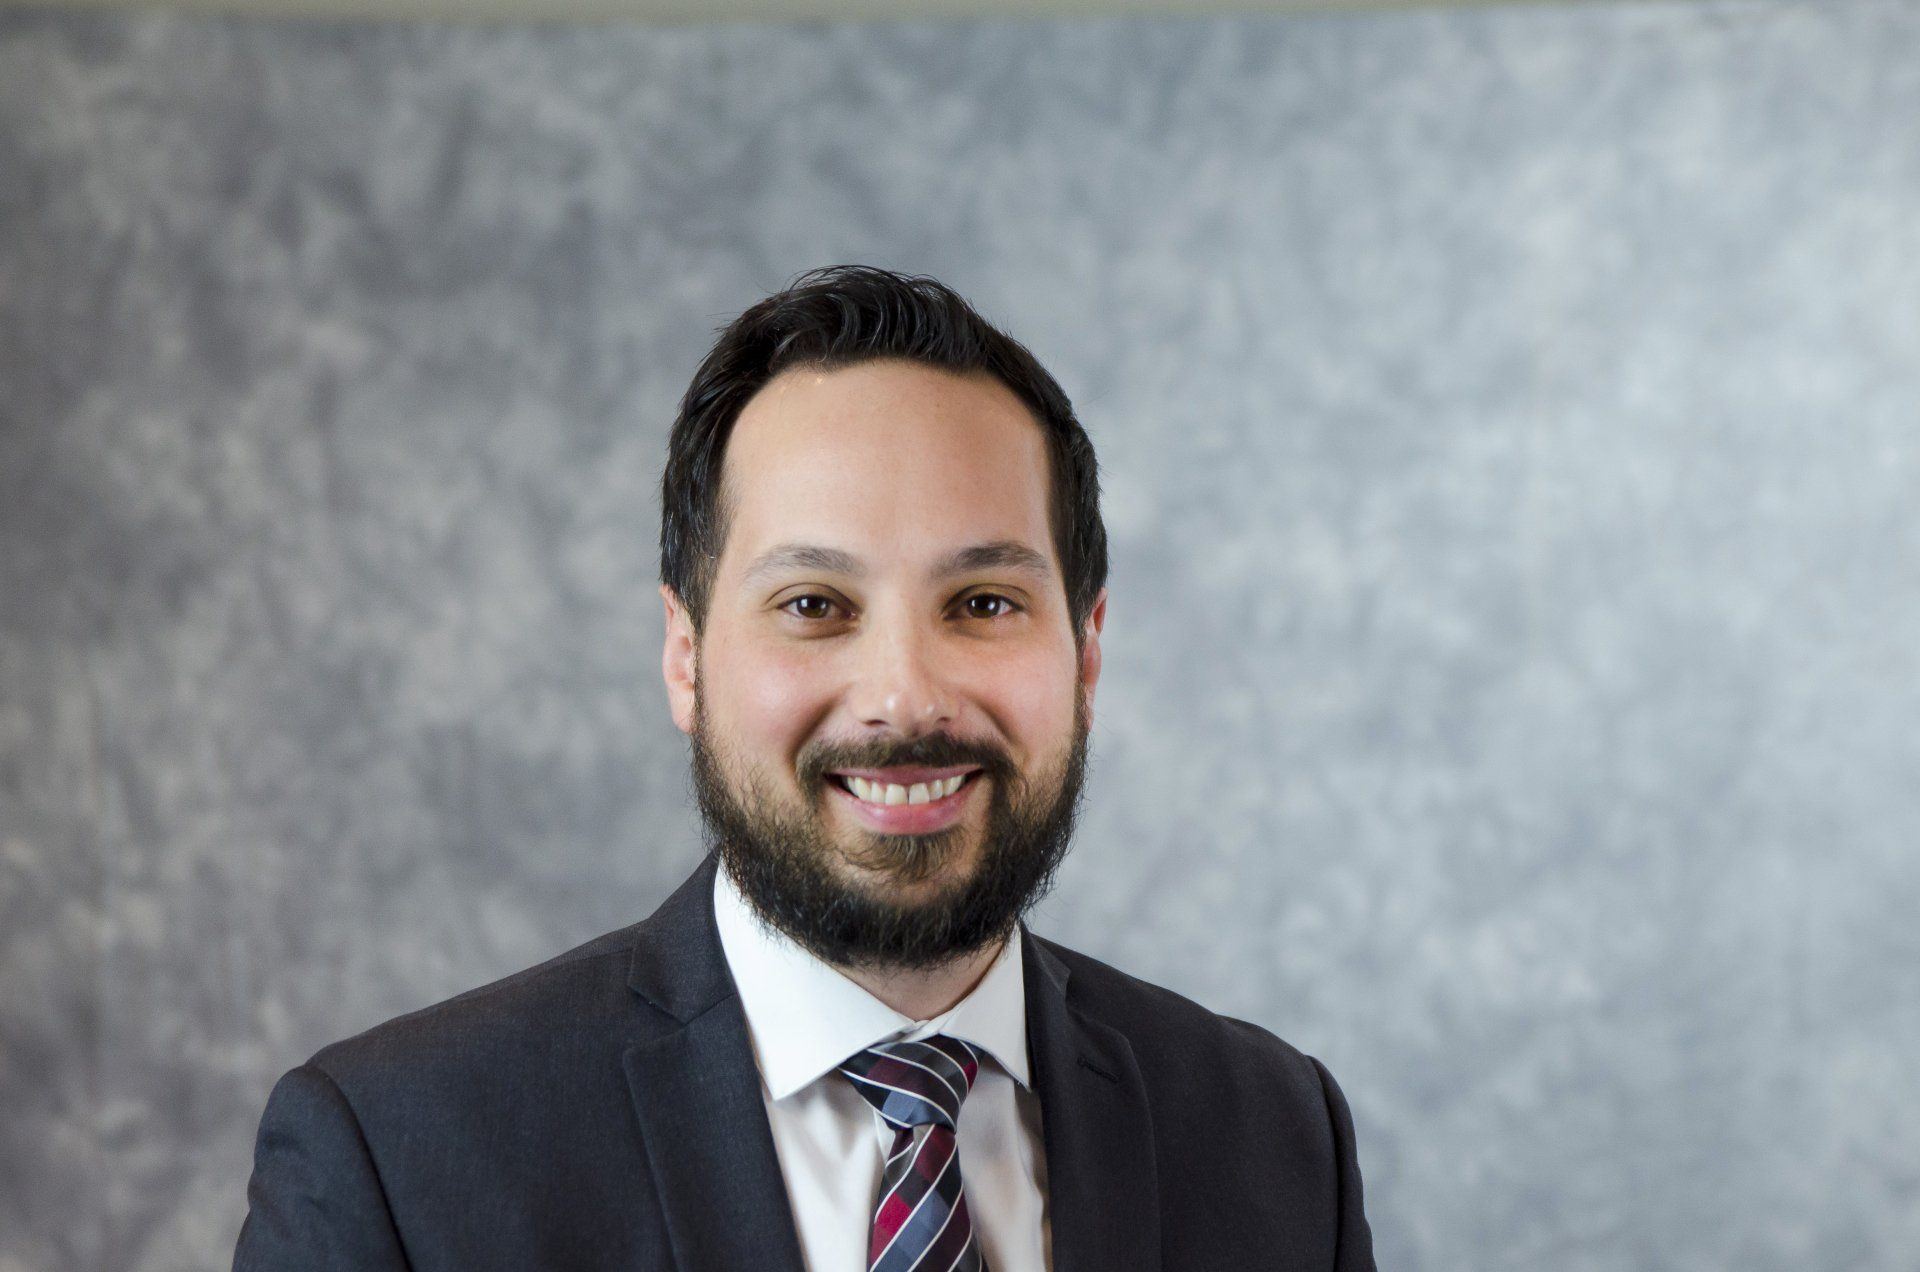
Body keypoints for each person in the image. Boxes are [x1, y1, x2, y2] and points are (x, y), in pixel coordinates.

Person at [233, 266, 1375, 1271]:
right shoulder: (399, 1163)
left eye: (984, 603)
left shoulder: (1276, 1143)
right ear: (686, 659)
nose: (904, 697)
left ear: (1084, 654)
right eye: (813, 605)